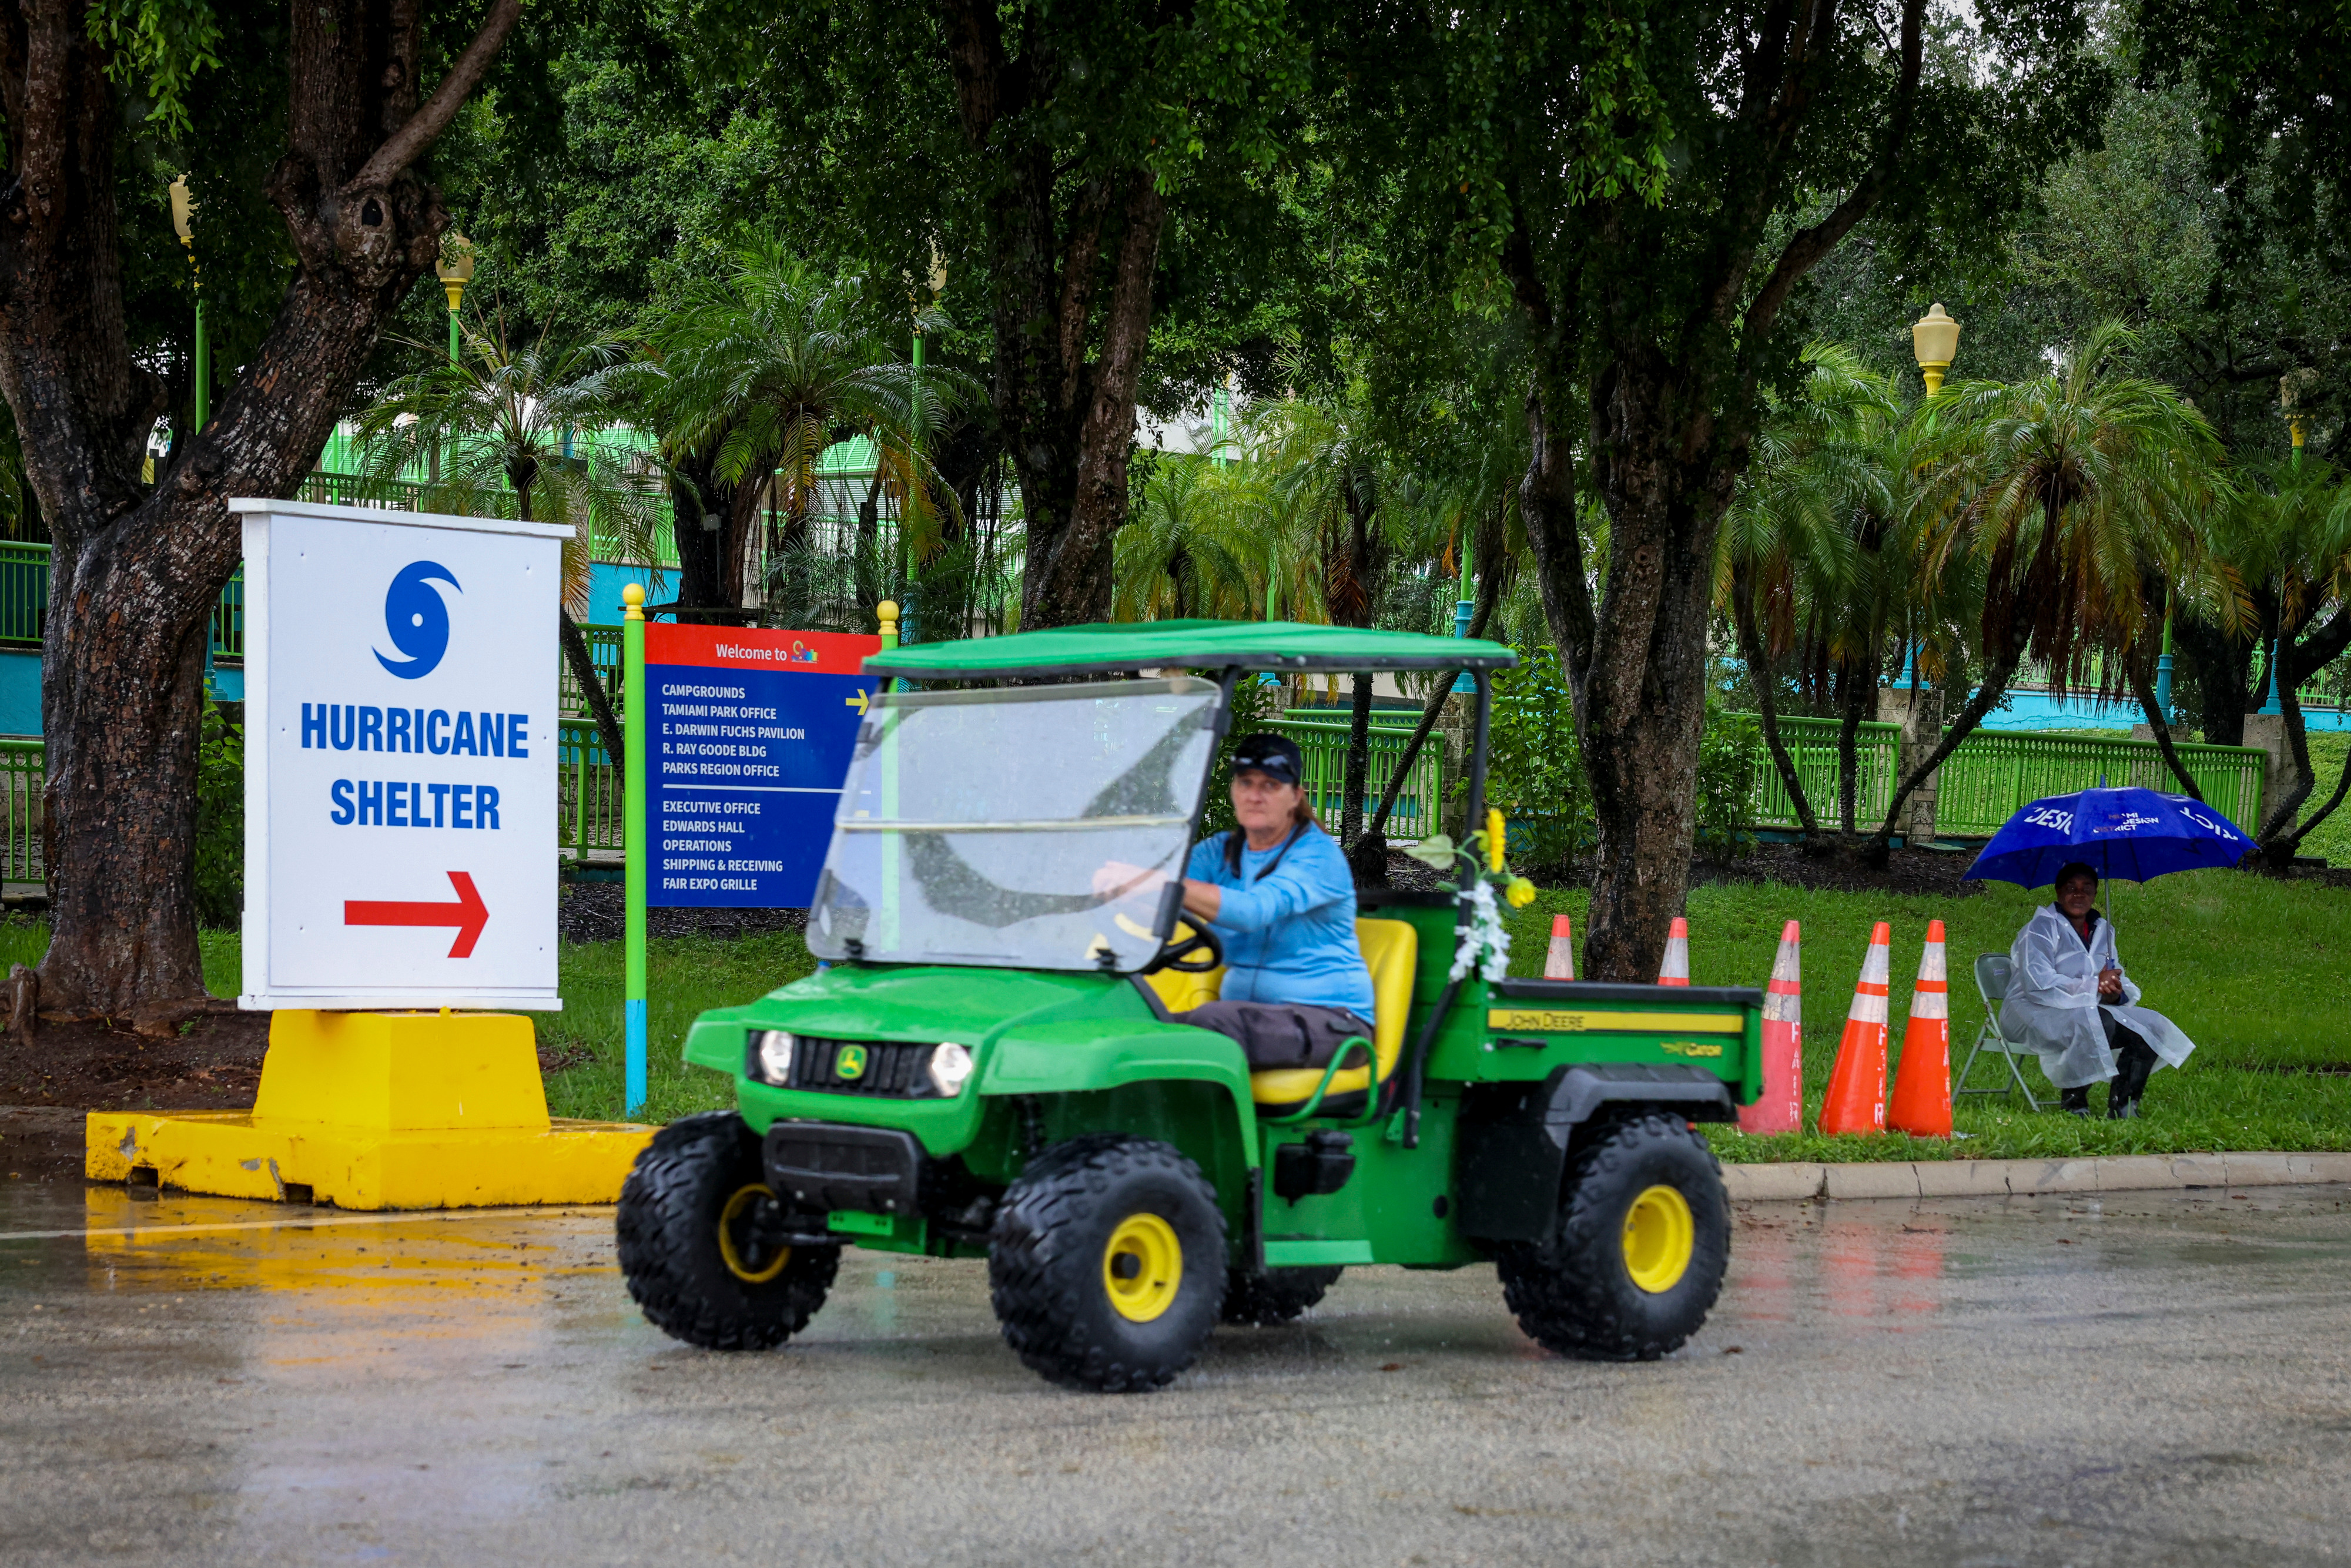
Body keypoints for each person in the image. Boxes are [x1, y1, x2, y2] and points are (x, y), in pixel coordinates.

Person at [1096, 732, 1375, 1074]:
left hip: (1335, 1026)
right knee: (1129, 1022)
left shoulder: (1317, 856)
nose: (1254, 796)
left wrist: (1157, 882)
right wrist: (1119, 892)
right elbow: (1162, 904)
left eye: (1270, 785)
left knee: (1212, 1023)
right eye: (1245, 783)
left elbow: (1252, 911)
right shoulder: (1220, 852)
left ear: (1295, 796)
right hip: (1249, 1020)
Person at [2002, 862, 2196, 1118]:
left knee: (2150, 1028)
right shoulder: (2039, 930)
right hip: (2032, 1012)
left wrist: (2114, 992)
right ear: (2058, 892)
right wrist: (2095, 985)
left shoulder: (2104, 932)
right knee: (2095, 1022)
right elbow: (2038, 984)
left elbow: (2115, 975)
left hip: (2085, 1008)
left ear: (2095, 895)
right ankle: (2074, 1104)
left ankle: (2124, 1107)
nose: (2079, 894)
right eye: (2071, 888)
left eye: (2087, 889)